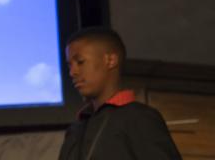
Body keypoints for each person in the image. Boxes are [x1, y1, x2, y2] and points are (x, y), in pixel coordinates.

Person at [59, 28, 181, 159]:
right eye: (69, 65)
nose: (72, 72)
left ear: (111, 60)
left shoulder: (139, 118)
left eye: (80, 62)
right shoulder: (76, 129)